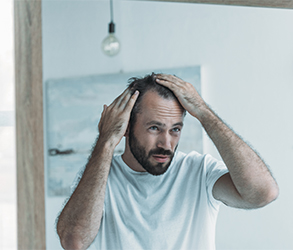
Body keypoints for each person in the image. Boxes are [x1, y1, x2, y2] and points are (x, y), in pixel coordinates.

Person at [56, 73, 279, 250]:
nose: (166, 142)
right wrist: (105, 141)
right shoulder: (101, 175)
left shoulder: (198, 171)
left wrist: (203, 112)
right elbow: (73, 241)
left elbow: (263, 193)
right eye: (154, 128)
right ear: (126, 128)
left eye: (175, 130)